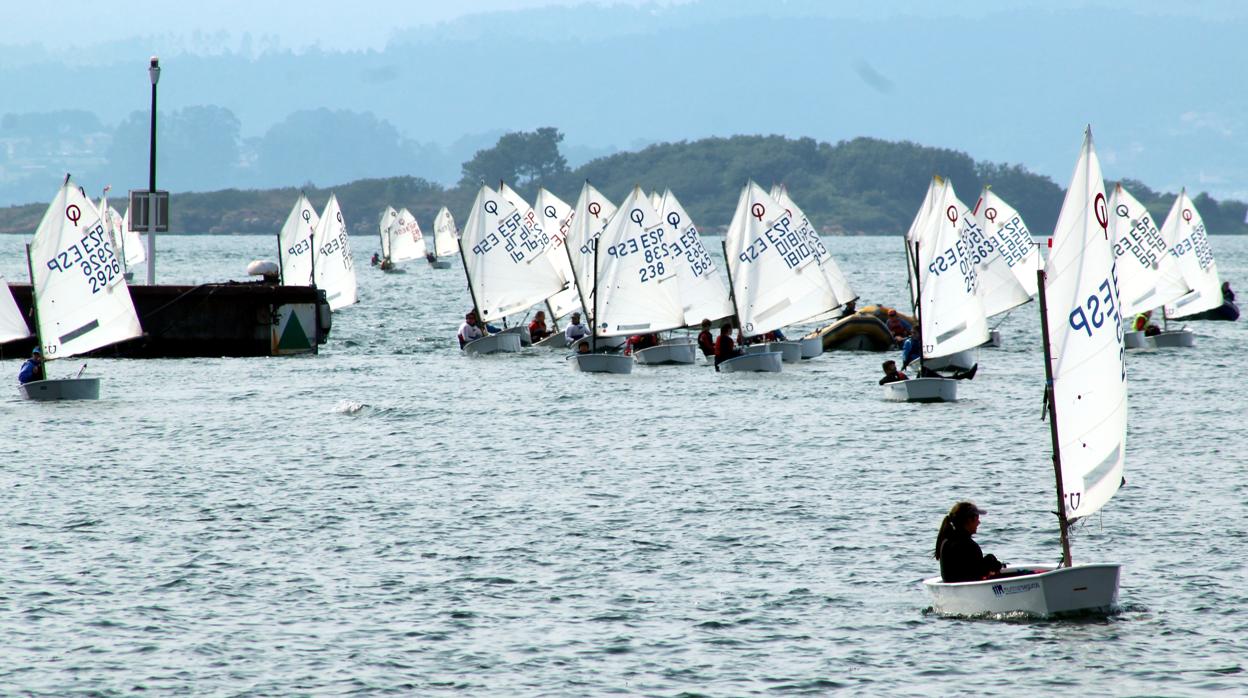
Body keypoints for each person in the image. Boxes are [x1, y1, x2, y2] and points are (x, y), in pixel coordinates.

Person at [934, 501, 1005, 583]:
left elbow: (966, 570)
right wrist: (992, 563)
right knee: (990, 559)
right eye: (977, 518)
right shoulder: (969, 545)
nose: (979, 522)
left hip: (952, 589)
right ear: (969, 520)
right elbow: (976, 573)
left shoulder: (946, 541)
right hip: (970, 590)